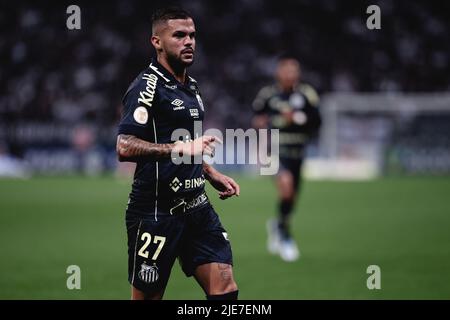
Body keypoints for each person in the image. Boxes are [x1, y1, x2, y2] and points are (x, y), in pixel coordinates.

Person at [116, 7, 240, 300]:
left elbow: (191, 144)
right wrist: (180, 147)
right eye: (179, 35)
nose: (189, 42)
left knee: (225, 287)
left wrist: (209, 173)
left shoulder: (192, 87)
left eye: (193, 35)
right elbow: (124, 145)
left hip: (197, 207)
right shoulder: (146, 86)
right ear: (157, 42)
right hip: (156, 212)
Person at [252, 57, 321, 262]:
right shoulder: (268, 95)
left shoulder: (307, 94)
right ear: (278, 73)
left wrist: (300, 119)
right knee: (286, 185)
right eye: (287, 70)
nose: (291, 74)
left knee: (291, 198)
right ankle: (286, 237)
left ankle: (278, 225)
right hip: (274, 149)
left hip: (298, 152)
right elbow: (257, 119)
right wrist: (272, 122)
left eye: (294, 71)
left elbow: (318, 121)